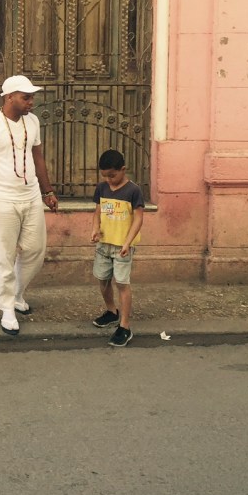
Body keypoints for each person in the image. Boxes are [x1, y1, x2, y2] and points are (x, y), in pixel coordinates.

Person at [0, 76, 58, 335]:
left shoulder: (33, 121)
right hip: (1, 200)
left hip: (31, 196)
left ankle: (17, 294)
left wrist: (48, 191)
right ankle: (7, 309)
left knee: (35, 250)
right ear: (9, 98)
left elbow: (38, 158)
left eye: (32, 97)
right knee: (4, 257)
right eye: (26, 97)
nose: (31, 102)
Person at [91, 148, 144, 347]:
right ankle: (112, 311)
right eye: (105, 176)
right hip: (104, 244)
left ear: (123, 169)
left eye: (112, 175)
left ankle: (125, 326)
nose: (109, 180)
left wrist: (128, 243)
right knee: (103, 280)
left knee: (122, 284)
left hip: (122, 246)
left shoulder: (133, 190)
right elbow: (98, 212)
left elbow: (138, 219)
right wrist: (95, 229)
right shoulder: (102, 188)